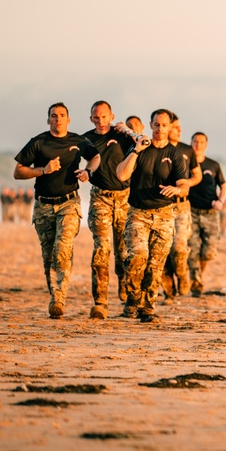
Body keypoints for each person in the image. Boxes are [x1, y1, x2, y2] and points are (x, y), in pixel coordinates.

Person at [14, 102, 100, 319]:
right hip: (43, 205)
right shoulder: (39, 142)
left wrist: (88, 172)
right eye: (54, 116)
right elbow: (18, 171)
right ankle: (55, 295)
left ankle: (59, 299)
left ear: (68, 120)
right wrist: (43, 170)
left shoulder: (78, 141)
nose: (58, 119)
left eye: (62, 116)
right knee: (48, 255)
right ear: (48, 120)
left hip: (69, 203)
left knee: (62, 248)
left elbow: (96, 156)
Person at [116, 109, 191, 323]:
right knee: (137, 257)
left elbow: (184, 185)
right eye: (156, 125)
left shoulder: (175, 154)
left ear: (170, 127)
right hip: (138, 213)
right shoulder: (139, 148)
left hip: (165, 215)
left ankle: (147, 307)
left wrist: (177, 190)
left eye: (164, 125)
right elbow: (121, 175)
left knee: (156, 264)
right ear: (150, 125)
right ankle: (132, 298)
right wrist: (136, 151)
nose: (160, 129)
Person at [82, 100, 136, 318]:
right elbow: (72, 158)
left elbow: (144, 143)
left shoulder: (122, 136)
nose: (101, 121)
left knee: (123, 250)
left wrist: (127, 129)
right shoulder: (87, 139)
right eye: (96, 117)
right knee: (101, 249)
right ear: (91, 118)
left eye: (104, 116)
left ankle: (123, 281)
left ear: (111, 115)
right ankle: (100, 301)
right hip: (100, 198)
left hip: (125, 198)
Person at [162, 115, 202, 301]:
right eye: (176, 127)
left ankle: (182, 274)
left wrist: (185, 185)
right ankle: (168, 291)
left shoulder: (187, 150)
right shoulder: (157, 149)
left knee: (179, 246)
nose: (179, 130)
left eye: (180, 127)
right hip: (161, 206)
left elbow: (197, 175)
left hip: (182, 206)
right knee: (163, 250)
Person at [187, 131, 226, 296]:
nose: (198, 145)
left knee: (208, 251)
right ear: (191, 143)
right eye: (195, 142)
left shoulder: (213, 165)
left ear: (206, 145)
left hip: (210, 212)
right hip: (191, 211)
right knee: (193, 248)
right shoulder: (185, 164)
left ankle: (198, 274)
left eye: (201, 142)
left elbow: (224, 185)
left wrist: (221, 201)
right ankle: (195, 283)